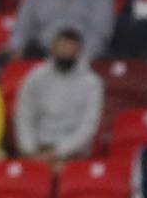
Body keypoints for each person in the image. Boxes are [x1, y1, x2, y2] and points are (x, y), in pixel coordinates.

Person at [14, 28, 102, 163]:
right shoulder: (35, 77)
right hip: (37, 147)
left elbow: (88, 126)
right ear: (53, 48)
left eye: (70, 49)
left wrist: (58, 152)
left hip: (73, 152)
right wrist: (30, 149)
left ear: (78, 51)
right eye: (61, 47)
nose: (65, 52)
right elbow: (24, 116)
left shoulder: (92, 83)